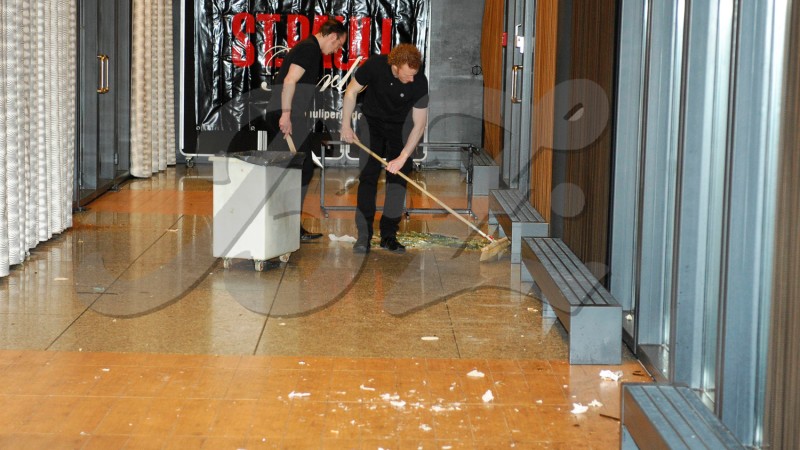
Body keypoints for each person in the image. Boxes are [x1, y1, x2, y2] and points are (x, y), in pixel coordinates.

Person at [339, 44, 429, 254]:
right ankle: (364, 235)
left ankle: (389, 235)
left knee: (398, 181)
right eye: (407, 75)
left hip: (402, 128)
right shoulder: (375, 65)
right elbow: (351, 91)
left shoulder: (419, 82)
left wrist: (403, 157)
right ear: (395, 67)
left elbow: (420, 124)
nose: (411, 79)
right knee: (368, 177)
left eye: (415, 74)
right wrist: (345, 125)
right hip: (372, 124)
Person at [265, 18, 347, 241]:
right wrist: (286, 113)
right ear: (332, 36)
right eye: (338, 45)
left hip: (290, 114)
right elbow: (290, 80)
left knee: (295, 169)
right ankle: (286, 226)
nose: (336, 50)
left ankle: (287, 225)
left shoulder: (308, 48)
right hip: (286, 114)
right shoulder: (309, 49)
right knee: (302, 169)